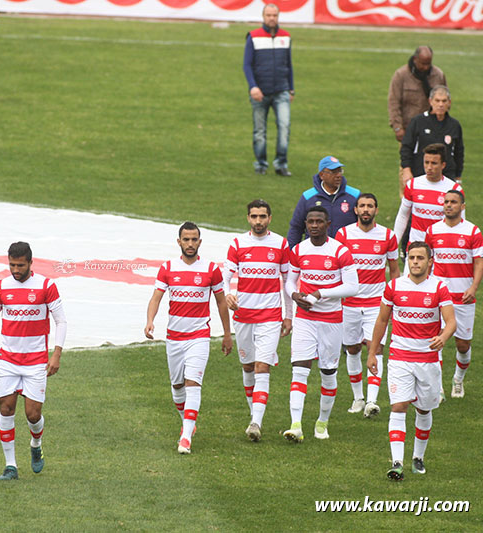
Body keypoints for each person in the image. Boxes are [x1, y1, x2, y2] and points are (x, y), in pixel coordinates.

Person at [0, 242, 66, 480]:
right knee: (6, 408)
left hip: (36, 361)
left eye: (20, 265)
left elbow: (61, 322)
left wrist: (56, 354)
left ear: (30, 263)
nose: (15, 270)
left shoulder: (46, 286)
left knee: (33, 415)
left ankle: (36, 444)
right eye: (12, 265)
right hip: (8, 360)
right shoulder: (0, 287)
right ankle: (10, 466)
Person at [367, 242, 455, 481]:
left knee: (424, 408)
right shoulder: (394, 287)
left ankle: (418, 456)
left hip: (428, 359)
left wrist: (443, 337)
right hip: (400, 357)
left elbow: (451, 322)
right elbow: (382, 321)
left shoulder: (439, 288)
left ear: (430, 262)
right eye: (412, 258)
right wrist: (372, 352)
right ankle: (397, 462)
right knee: (398, 406)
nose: (415, 262)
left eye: (420, 258)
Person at [145, 222, 232, 454]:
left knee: (193, 383)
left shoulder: (211, 269)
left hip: (199, 336)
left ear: (200, 242)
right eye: (186, 240)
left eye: (194, 240)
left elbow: (221, 302)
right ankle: (187, 422)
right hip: (174, 338)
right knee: (177, 386)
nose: (190, 244)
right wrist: (150, 320)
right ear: (179, 242)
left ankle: (185, 437)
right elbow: (156, 297)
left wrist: (226, 334)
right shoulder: (167, 268)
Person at [283, 207, 358, 443]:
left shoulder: (340, 251)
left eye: (319, 221)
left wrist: (320, 293)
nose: (314, 225)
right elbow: (290, 282)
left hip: (331, 321)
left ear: (328, 223)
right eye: (310, 222)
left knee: (327, 372)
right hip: (305, 319)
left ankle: (322, 422)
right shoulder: (298, 250)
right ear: (305, 224)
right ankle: (295, 425)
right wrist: (295, 296)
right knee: (299, 368)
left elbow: (352, 287)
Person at [223, 200, 292, 442]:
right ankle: (254, 414)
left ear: (270, 218)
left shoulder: (281, 243)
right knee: (248, 367)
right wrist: (228, 293)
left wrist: (288, 314)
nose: (258, 221)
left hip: (270, 315)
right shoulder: (238, 244)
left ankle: (256, 422)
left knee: (263, 367)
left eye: (262, 216)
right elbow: (225, 275)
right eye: (254, 216)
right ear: (248, 218)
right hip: (243, 315)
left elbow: (288, 281)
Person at [335, 194, 400, 418]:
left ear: (376, 210)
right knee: (352, 349)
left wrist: (395, 298)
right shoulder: (343, 235)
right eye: (362, 206)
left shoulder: (388, 236)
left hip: (376, 304)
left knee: (376, 348)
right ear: (355, 210)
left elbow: (394, 270)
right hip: (349, 304)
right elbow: (336, 270)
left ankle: (372, 401)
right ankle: (358, 398)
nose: (366, 210)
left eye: (370, 206)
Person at [425, 190, 483, 399]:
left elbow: (479, 262)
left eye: (453, 202)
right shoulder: (432, 230)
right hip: (440, 297)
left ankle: (458, 379)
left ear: (462, 206)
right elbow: (426, 261)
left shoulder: (472, 231)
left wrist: (473, 288)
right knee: (437, 340)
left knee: (462, 344)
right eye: (446, 202)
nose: (449, 205)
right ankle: (438, 386)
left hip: (464, 297)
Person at [243, 3, 294, 176]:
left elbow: (289, 65)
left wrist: (291, 89)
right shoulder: (253, 37)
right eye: (268, 15)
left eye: (274, 15)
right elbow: (247, 65)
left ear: (278, 17)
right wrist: (253, 87)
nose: (272, 18)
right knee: (259, 131)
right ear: (263, 17)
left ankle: (281, 164)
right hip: (260, 92)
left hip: (281, 91)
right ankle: (261, 164)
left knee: (284, 127)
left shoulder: (285, 37)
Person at [394, 143, 465, 256]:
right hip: (414, 252)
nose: (429, 167)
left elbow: (460, 223)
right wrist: (394, 243)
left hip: (439, 252)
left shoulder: (454, 189)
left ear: (443, 165)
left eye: (434, 163)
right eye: (426, 162)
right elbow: (403, 215)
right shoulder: (413, 185)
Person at [287, 156, 360, 248]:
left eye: (340, 171)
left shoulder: (354, 195)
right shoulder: (308, 197)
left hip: (346, 253)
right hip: (315, 253)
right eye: (333, 172)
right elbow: (296, 227)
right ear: (322, 175)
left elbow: (364, 226)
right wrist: (290, 253)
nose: (338, 175)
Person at [400, 86, 463, 188]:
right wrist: (406, 169)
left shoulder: (454, 125)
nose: (441, 105)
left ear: (449, 103)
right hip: (421, 175)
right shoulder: (418, 121)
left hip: (446, 177)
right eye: (437, 101)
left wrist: (458, 176)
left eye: (444, 101)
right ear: (430, 101)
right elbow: (406, 147)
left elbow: (459, 152)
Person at [388, 46, 447, 143]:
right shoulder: (401, 75)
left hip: (434, 129)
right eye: (423, 64)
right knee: (408, 158)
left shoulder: (438, 75)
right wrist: (397, 128)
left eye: (428, 63)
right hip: (409, 130)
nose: (426, 67)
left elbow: (445, 101)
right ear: (415, 59)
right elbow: (394, 102)